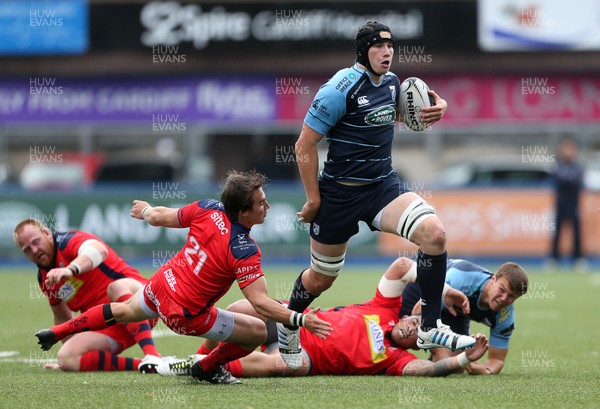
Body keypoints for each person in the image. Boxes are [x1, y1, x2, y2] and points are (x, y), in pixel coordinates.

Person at [280, 19, 475, 368]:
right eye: (378, 47)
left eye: (390, 47)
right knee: (321, 279)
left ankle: (429, 327)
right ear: (362, 51)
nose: (387, 54)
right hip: (339, 194)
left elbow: (396, 115)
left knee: (434, 235)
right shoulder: (339, 88)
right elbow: (304, 144)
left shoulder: (392, 83)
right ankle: (288, 321)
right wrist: (313, 199)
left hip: (381, 187)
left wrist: (437, 107)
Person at [34, 170, 332, 384]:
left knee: (124, 310)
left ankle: (55, 333)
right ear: (243, 212)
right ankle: (207, 368)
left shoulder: (207, 207)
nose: (267, 206)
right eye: (261, 203)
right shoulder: (244, 248)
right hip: (184, 315)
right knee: (254, 331)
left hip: (161, 285)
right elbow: (262, 303)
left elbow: (159, 216)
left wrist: (146, 210)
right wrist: (301, 320)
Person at [155, 257, 487, 378]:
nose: (412, 327)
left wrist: (461, 360)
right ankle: (200, 360)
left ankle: (207, 366)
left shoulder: (394, 360)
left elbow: (426, 368)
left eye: (417, 332)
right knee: (242, 309)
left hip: (306, 356)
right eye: (415, 321)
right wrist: (442, 292)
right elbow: (401, 267)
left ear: (417, 343)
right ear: (410, 315)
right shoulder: (386, 307)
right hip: (297, 320)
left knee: (285, 365)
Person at [13, 219, 162, 373]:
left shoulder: (67, 242)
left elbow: (99, 250)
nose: (35, 250)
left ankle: (152, 354)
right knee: (66, 358)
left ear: (46, 233)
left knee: (116, 287)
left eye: (36, 242)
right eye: (27, 249)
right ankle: (149, 365)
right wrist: (71, 350)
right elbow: (63, 318)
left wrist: (71, 269)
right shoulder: (44, 277)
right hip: (111, 325)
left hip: (142, 304)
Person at [399, 257, 528, 375]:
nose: (504, 299)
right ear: (493, 279)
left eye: (512, 296)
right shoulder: (460, 278)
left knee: (457, 366)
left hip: (455, 313)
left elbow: (497, 359)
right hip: (420, 291)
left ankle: (434, 358)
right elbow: (419, 311)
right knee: (401, 334)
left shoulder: (506, 316)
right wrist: (436, 347)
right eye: (502, 290)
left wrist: (485, 371)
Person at [549, 138, 586, 271]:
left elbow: (577, 180)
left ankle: (578, 258)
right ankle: (554, 258)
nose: (568, 152)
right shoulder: (558, 165)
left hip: (574, 205)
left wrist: (568, 179)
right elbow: (559, 179)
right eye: (566, 148)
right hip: (560, 205)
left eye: (571, 149)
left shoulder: (577, 167)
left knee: (577, 232)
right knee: (557, 232)